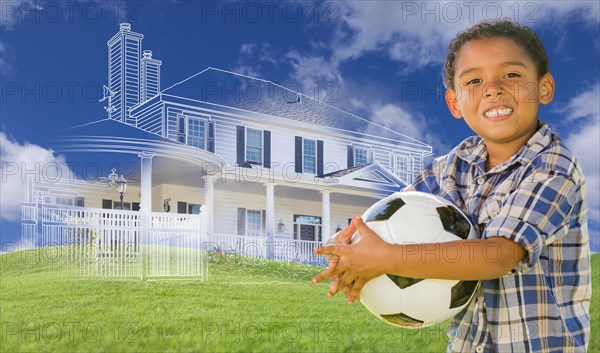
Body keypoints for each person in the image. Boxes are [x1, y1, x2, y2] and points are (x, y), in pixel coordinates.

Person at [311, 20, 591, 353]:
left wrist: (387, 258)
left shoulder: (553, 166)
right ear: (454, 103)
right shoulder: (451, 166)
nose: (492, 88)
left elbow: (496, 257)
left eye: (511, 75)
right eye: (474, 80)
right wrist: (349, 246)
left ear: (544, 87)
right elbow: (393, 218)